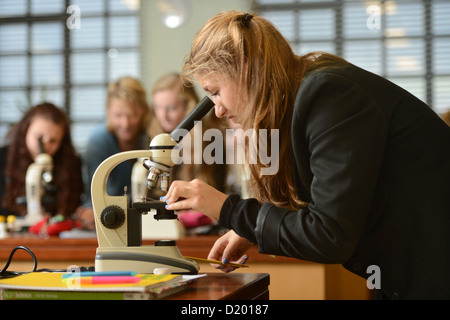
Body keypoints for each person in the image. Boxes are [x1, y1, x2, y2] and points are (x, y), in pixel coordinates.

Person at [162, 11, 450, 299]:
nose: (219, 110)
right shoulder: (302, 96)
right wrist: (250, 229)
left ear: (246, 70)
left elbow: (329, 234)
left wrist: (229, 210)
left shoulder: (328, 94)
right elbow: (322, 203)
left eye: (216, 91)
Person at [148, 73, 227, 229]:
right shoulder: (152, 137)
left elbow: (218, 193)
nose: (163, 116)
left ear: (189, 107)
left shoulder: (211, 141)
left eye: (171, 108)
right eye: (158, 108)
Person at [0, 103, 85, 231]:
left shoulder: (71, 165)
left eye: (53, 141)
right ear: (25, 131)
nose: (45, 146)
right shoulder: (3, 158)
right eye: (39, 138)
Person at [83, 77, 149, 215]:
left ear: (144, 110)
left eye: (132, 115)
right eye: (118, 115)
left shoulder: (151, 137)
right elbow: (98, 195)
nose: (125, 124)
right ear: (108, 111)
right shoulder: (98, 142)